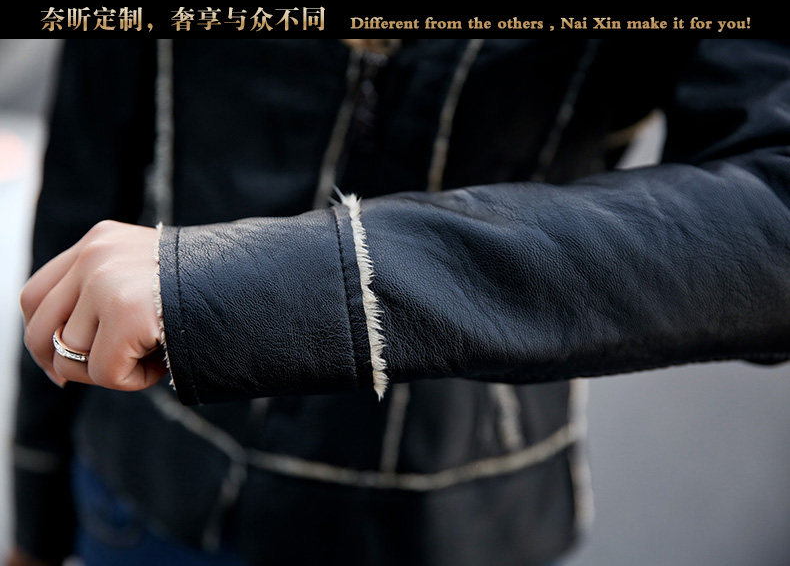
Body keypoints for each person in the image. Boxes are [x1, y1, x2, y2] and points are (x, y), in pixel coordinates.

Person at [10, 38, 790, 566]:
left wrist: (248, 285)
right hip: (149, 487)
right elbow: (88, 166)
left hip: (452, 521)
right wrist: (35, 502)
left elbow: (772, 223)